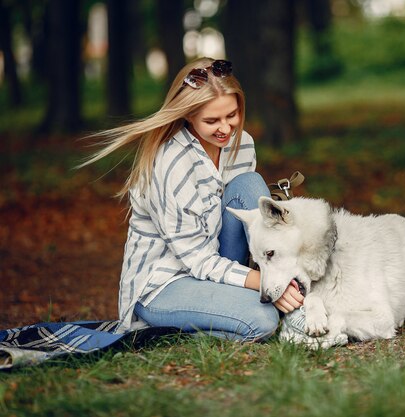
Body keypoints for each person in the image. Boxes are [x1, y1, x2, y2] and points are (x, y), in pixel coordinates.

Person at [82, 57, 304, 341]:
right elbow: (197, 260)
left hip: (216, 262)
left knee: (250, 184)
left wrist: (277, 277)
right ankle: (165, 333)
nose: (225, 128)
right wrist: (265, 284)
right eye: (211, 120)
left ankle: (270, 294)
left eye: (232, 115)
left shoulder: (242, 144)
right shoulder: (171, 163)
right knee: (262, 320)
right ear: (188, 115)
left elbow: (247, 222)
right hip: (165, 284)